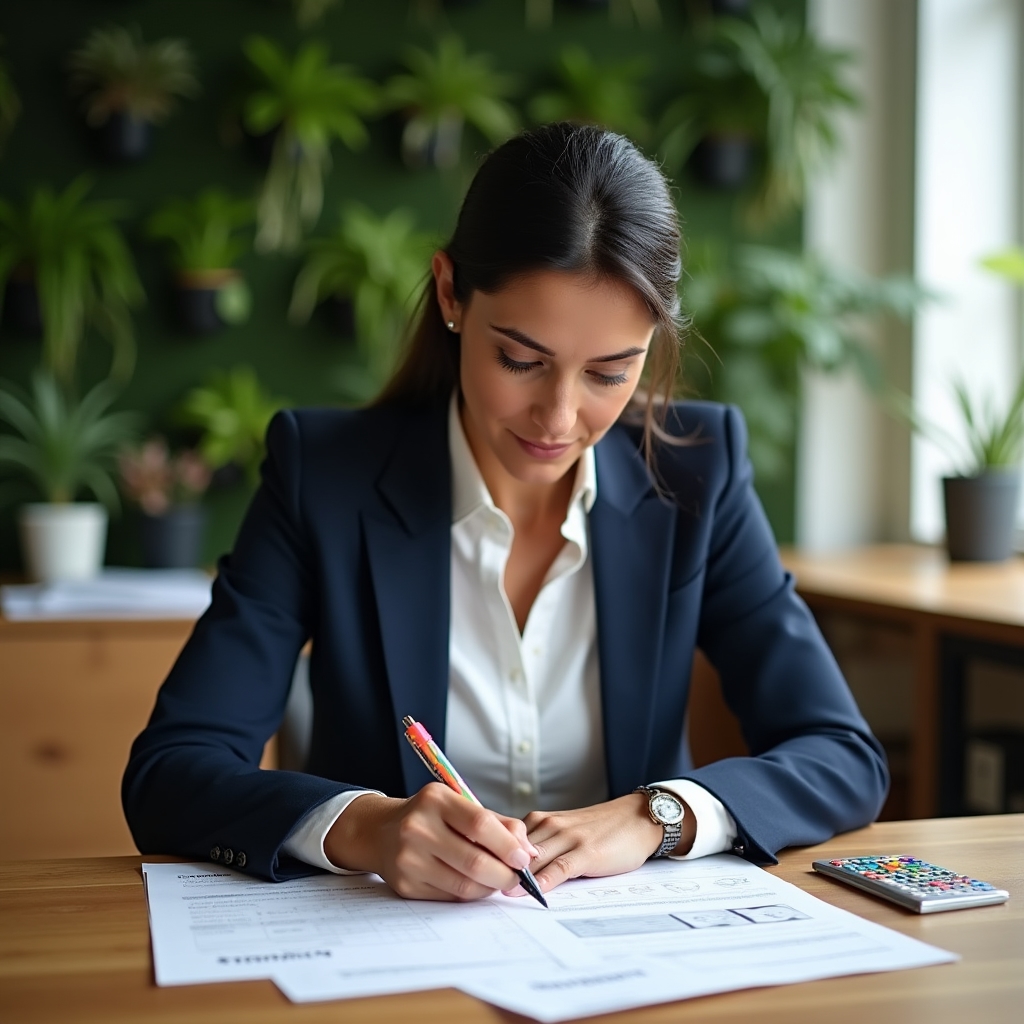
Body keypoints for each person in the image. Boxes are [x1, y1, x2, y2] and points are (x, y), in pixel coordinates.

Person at [123, 122, 888, 902]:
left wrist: (657, 815)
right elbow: (172, 771)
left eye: (608, 372)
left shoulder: (696, 473)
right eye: (521, 361)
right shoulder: (324, 478)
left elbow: (839, 752)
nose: (558, 417)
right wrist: (366, 827)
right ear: (451, 292)